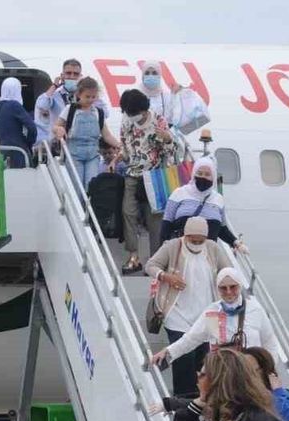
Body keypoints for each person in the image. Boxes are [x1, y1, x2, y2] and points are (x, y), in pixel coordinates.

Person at [145, 216, 233, 396]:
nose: (197, 244)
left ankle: (202, 403)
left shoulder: (213, 248)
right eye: (193, 241)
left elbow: (228, 271)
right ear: (185, 236)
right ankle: (182, 403)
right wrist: (166, 277)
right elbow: (151, 265)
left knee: (206, 362)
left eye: (201, 241)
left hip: (209, 315)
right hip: (177, 314)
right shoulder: (172, 246)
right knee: (184, 361)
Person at [150, 267, 283, 370]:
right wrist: (168, 352)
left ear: (240, 285)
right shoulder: (213, 313)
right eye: (223, 288)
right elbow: (191, 339)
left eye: (233, 287)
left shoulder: (255, 310)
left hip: (252, 373)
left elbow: (269, 343)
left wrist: (268, 369)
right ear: (218, 289)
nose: (229, 292)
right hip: (223, 374)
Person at [118, 88, 178, 274]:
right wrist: (120, 157)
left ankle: (155, 260)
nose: (132, 117)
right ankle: (133, 256)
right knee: (128, 212)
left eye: (134, 113)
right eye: (128, 113)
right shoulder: (126, 120)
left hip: (154, 176)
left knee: (155, 220)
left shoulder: (158, 121)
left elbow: (171, 151)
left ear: (144, 110)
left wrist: (167, 139)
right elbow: (125, 145)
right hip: (132, 174)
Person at [159, 157, 246, 251]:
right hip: (181, 252)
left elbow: (222, 229)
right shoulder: (179, 193)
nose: (203, 177)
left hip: (208, 255)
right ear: (193, 174)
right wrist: (164, 249)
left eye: (207, 174)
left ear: (213, 177)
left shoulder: (218, 199)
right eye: (199, 173)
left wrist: (236, 243)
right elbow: (167, 223)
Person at [54, 77, 121, 189]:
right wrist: (59, 129)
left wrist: (119, 145)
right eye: (87, 96)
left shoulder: (98, 112)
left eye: (93, 97)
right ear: (79, 94)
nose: (90, 100)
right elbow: (56, 126)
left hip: (92, 155)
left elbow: (107, 135)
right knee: (77, 185)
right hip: (74, 154)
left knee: (91, 185)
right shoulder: (70, 109)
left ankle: (90, 200)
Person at [34, 59, 110, 146]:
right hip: (59, 143)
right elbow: (42, 105)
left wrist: (90, 92)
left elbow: (105, 113)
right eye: (68, 73)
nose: (72, 77)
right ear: (62, 75)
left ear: (80, 76)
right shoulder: (55, 94)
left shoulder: (87, 96)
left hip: (81, 142)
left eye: (76, 74)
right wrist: (54, 86)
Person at [0, 77, 37, 169]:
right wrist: (29, 141)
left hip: (2, 151)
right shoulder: (14, 105)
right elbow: (32, 128)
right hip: (18, 152)